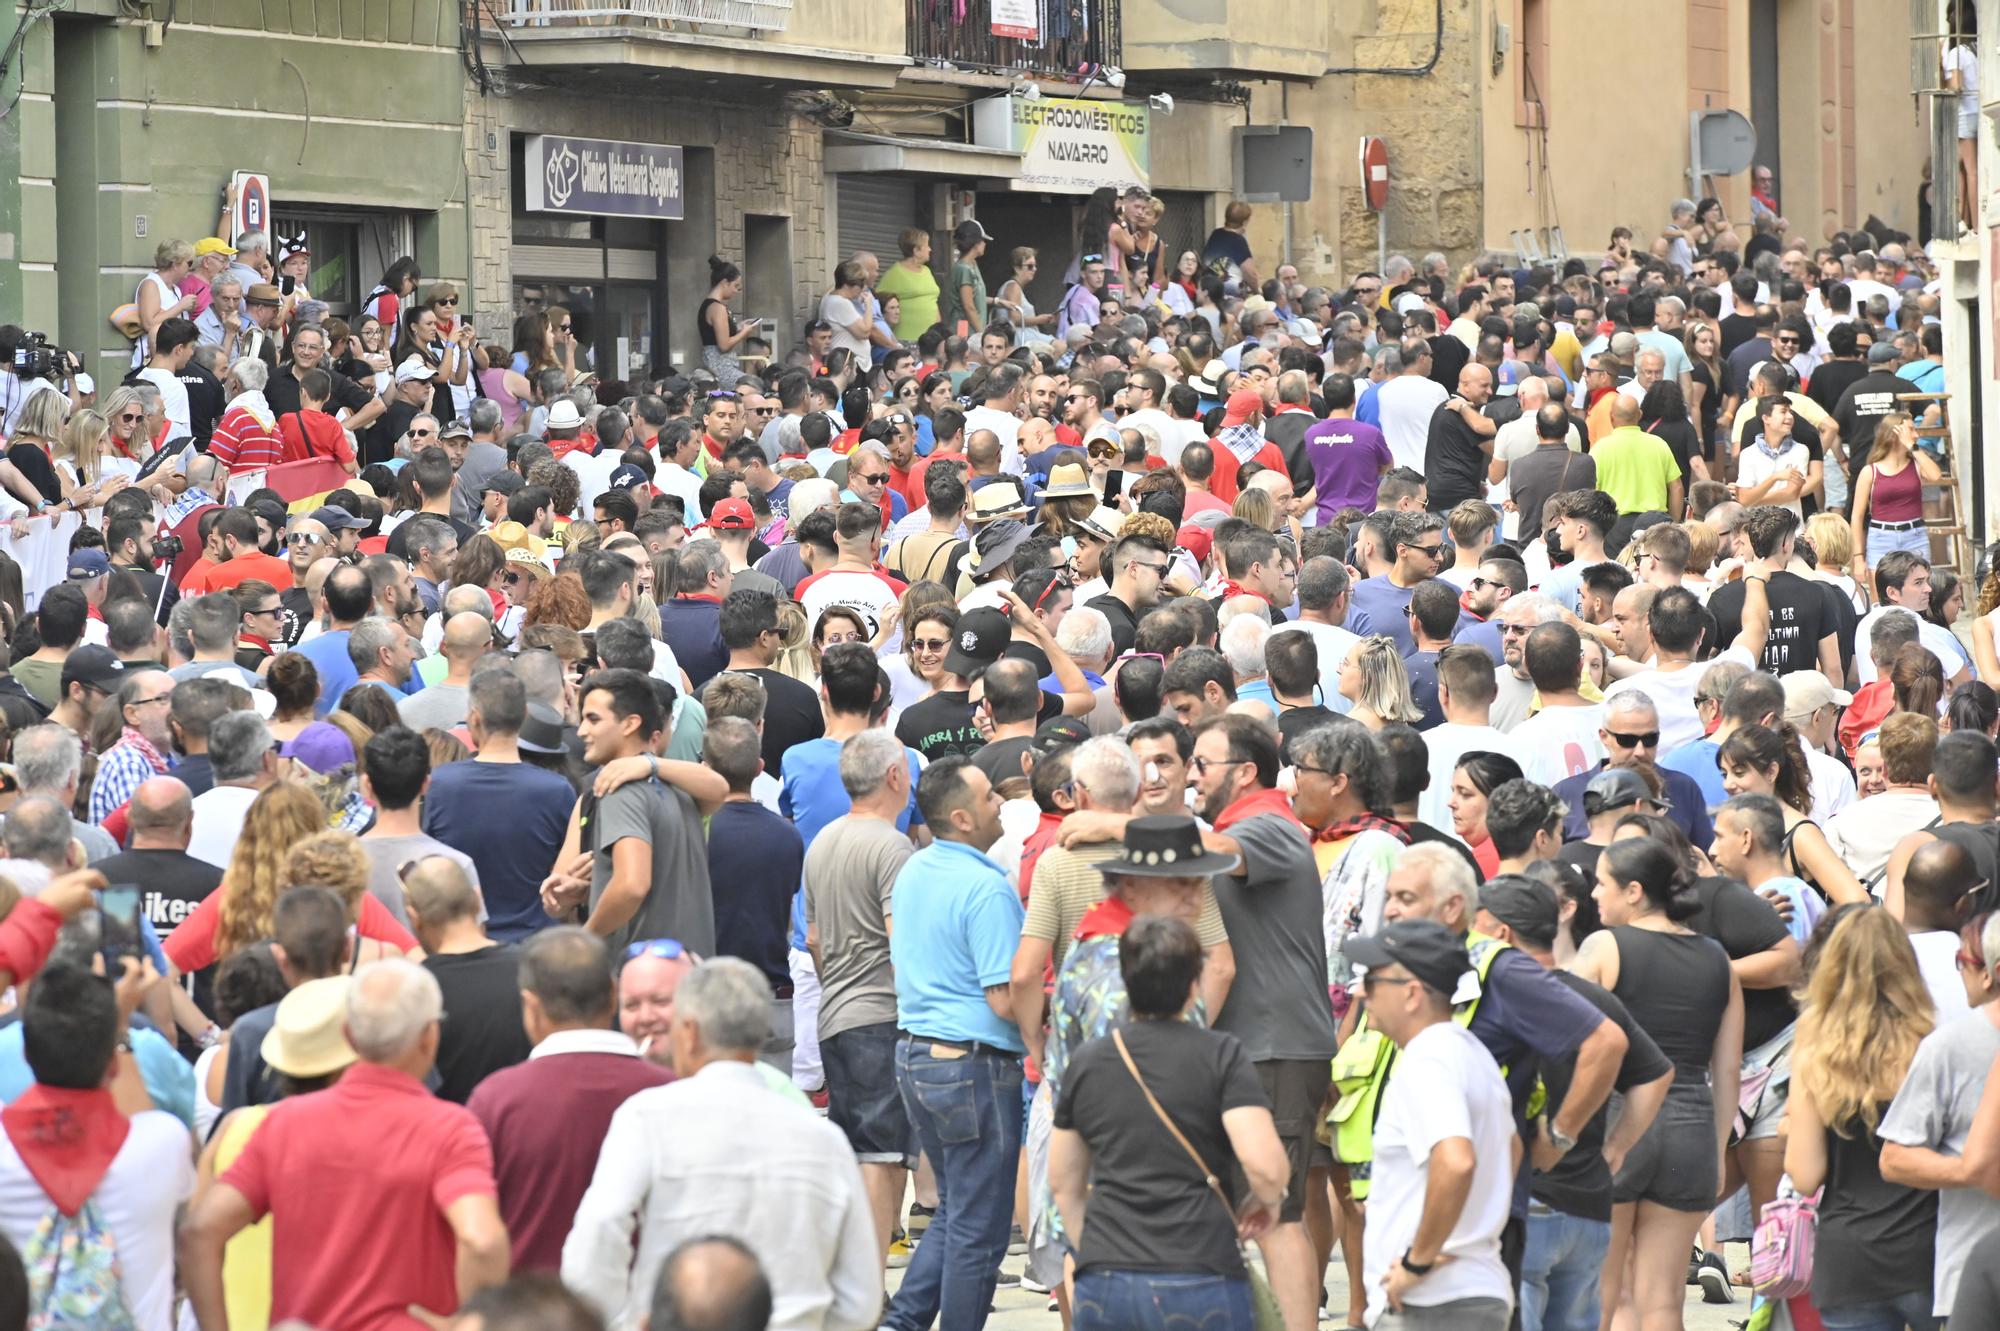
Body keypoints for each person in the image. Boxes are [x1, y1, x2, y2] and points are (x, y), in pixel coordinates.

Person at [181, 959, 511, 1331]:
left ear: (350, 1036)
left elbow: (200, 1231)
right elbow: (482, 1241)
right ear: (430, 1036)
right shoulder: (451, 1129)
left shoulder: (281, 1125)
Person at [563, 957, 881, 1331]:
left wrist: (619, 1321)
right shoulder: (823, 1138)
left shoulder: (647, 1117)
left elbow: (600, 1228)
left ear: (691, 1032)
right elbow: (861, 1297)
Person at [1049, 912, 1288, 1331]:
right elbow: (1266, 1168)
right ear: (1194, 984)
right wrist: (1266, 1202)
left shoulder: (1088, 1062)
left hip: (1107, 1275)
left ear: (1126, 978)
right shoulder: (1222, 1056)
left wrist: (1095, 1248)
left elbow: (1063, 1184)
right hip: (1201, 1269)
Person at [1469, 877, 1673, 1331]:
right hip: (1588, 1207)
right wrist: (1616, 1147)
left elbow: (1640, 1063)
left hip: (1530, 1205)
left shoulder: (1497, 996)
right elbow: (1658, 1073)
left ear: (1500, 933)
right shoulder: (1592, 998)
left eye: (1474, 926)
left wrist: (1561, 1135)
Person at [1570, 836, 1743, 1331]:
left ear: (1634, 891)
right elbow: (1727, 1069)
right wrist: (1714, 1149)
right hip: (1691, 1128)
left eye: (1602, 884)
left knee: (1608, 1294)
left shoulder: (1604, 948)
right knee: (1664, 1302)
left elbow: (1573, 1042)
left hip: (1617, 1124)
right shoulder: (1717, 960)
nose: (1594, 895)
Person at [880, 758, 1024, 1331]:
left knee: (956, 1211)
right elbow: (1004, 998)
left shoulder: (917, 869)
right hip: (972, 1065)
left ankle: (903, 1323)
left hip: (918, 1055)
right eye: (990, 797)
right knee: (978, 1227)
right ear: (962, 818)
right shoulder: (986, 888)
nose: (1000, 805)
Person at [1339, 919, 1517, 1330]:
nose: (1361, 991)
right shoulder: (1471, 1051)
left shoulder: (1428, 1058)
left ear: (1412, 993)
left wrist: (1416, 1264)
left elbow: (1455, 1161)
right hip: (1470, 1290)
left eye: (1373, 979)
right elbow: (1514, 1150)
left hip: (1431, 1304)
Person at [0, 960, 191, 1331]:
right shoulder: (163, 1142)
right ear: (114, 1065)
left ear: (25, 1054)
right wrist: (118, 1029)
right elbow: (144, 1123)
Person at [1784, 903, 1943, 1331]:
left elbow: (1804, 1174)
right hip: (1927, 1254)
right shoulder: (1932, 1043)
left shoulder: (1814, 1051)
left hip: (1849, 1259)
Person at [538, 669, 723, 954]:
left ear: (630, 724)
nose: (582, 731)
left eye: (593, 719)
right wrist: (586, 889)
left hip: (642, 979)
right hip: (689, 976)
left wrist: (585, 940)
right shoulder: (681, 789)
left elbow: (632, 885)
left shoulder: (620, 791)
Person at [1880, 908, 2000, 1321]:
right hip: (1969, 1274)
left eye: (1962, 962)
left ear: (1991, 973)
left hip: (1973, 1281)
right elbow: (1896, 1156)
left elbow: (1894, 1156)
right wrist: (1968, 1171)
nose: (1958, 974)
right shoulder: (1949, 1047)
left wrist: (1974, 1169)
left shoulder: (1945, 1046)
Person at [422, 670, 577, 942]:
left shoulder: (439, 785)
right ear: (523, 716)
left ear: (474, 717)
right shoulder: (556, 790)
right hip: (535, 941)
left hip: (462, 941)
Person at [701, 715, 803, 1073]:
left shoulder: (697, 833)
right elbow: (787, 912)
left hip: (707, 992)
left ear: (704, 766)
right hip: (771, 991)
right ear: (760, 768)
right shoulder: (787, 836)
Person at [403, 854, 530, 1103]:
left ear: (414, 918)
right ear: (477, 899)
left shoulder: (414, 992)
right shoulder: (532, 969)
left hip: (448, 1134)